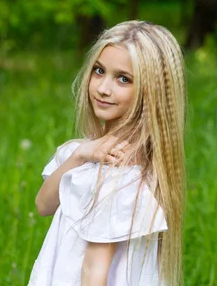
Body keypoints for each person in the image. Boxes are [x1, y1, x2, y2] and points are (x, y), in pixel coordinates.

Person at [29, 21, 187, 286]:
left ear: (152, 92)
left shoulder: (116, 172)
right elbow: (43, 206)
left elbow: (93, 271)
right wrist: (78, 156)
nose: (103, 88)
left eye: (123, 79)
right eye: (99, 71)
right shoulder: (86, 155)